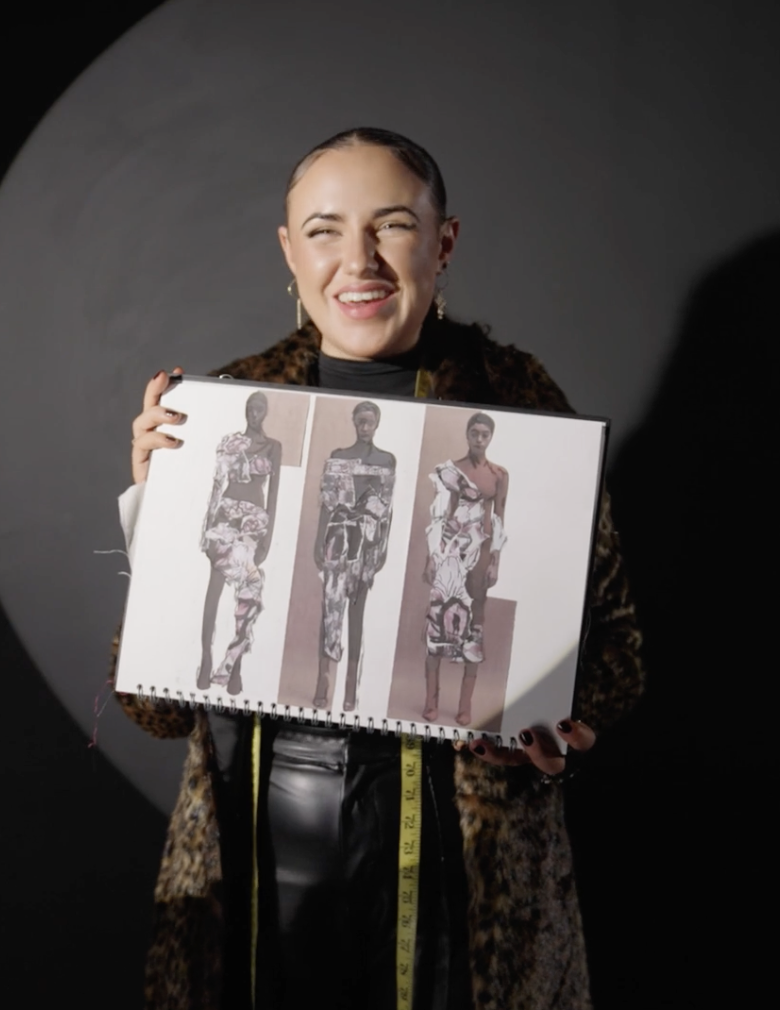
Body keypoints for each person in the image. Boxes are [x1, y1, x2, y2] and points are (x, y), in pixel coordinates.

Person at [114, 128, 644, 1009]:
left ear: (444, 242)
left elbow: (616, 648)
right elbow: (156, 708)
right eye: (324, 230)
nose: (357, 260)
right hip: (264, 852)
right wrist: (157, 519)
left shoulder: (518, 408)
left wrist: (562, 719)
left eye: (392, 225)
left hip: (461, 869)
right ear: (290, 250)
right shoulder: (223, 412)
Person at [422, 411, 508, 726]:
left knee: (474, 628)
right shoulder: (451, 471)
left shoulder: (499, 475)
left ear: (491, 437)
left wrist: (495, 560)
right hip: (450, 554)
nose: (479, 438)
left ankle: (464, 707)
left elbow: (499, 519)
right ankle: (431, 702)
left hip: (480, 555)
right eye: (475, 433)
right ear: (468, 434)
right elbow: (440, 515)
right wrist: (432, 557)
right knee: (437, 624)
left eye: (485, 434)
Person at [313, 400, 395, 711]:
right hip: (336, 539)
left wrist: (382, 548)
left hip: (366, 545)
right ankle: (323, 683)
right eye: (360, 421)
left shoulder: (387, 460)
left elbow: (387, 510)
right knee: (329, 611)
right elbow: (327, 503)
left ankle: (350, 688)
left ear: (377, 424)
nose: (364, 427)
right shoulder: (338, 457)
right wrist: (318, 541)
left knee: (356, 615)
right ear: (353, 421)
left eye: (369, 422)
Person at [197, 391, 282, 696]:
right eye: (250, 408)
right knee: (214, 592)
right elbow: (217, 484)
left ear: (266, 413)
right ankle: (206, 659)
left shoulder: (273, 447)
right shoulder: (230, 443)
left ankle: (235, 669)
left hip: (253, 525)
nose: (253, 414)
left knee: (247, 598)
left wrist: (268, 538)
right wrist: (207, 528)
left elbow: (274, 493)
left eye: (259, 409)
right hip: (223, 519)